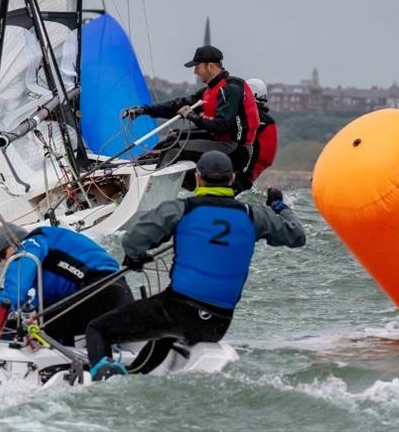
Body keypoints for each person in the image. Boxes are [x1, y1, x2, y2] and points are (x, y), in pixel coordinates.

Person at [85, 150, 305, 380]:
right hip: (217, 324)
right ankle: (136, 373)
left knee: (97, 329)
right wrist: (279, 206)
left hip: (176, 311)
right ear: (231, 179)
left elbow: (133, 241)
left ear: (198, 178)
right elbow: (297, 236)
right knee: (165, 334)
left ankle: (102, 378)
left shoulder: (183, 208)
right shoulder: (253, 215)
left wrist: (136, 257)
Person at [0, 224, 132, 346]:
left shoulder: (32, 242)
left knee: (38, 328)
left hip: (100, 292)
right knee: (41, 322)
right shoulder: (45, 265)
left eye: (3, 254)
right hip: (118, 295)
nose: (4, 262)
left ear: (14, 242)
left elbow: (15, 292)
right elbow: (31, 304)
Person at [124, 45, 259, 190]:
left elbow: (223, 125)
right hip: (219, 141)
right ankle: (132, 172)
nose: (195, 71)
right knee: (170, 140)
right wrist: (144, 110)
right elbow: (177, 105)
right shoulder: (210, 90)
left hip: (235, 149)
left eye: (197, 66)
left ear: (211, 66)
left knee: (173, 148)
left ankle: (150, 190)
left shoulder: (230, 88)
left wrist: (192, 117)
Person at [241, 78, 278, 190]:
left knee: (241, 182)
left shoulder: (258, 117)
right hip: (261, 161)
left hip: (256, 160)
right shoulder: (264, 117)